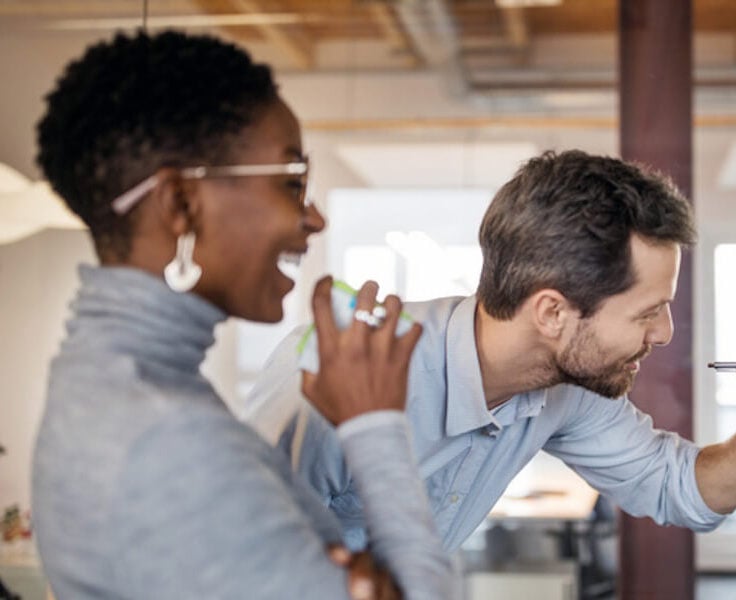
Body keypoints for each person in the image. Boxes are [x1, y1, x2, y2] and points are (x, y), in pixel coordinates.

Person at [31, 30, 453, 599]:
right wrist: (374, 423)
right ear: (181, 204)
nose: (314, 219)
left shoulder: (101, 379)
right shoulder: (170, 440)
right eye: (290, 182)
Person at [247, 149, 736, 552]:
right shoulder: (335, 369)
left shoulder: (566, 383)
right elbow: (234, 561)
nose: (664, 333)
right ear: (551, 313)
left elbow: (682, 491)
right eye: (646, 312)